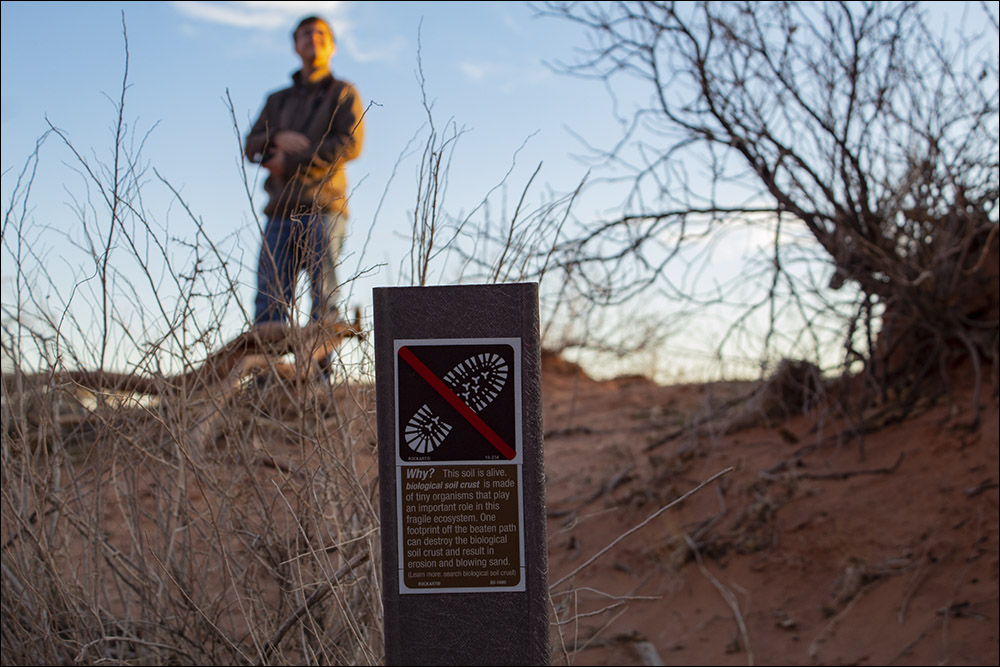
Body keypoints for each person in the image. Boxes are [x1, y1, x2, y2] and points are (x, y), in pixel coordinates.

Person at [245, 15, 365, 334]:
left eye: (321, 33)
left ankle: (320, 383)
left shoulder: (343, 92)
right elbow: (251, 145)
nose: (313, 38)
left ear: (333, 46)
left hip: (323, 208)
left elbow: (349, 144)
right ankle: (267, 383)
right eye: (305, 33)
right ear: (295, 45)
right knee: (268, 304)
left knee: (324, 304)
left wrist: (290, 159)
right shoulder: (277, 100)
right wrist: (276, 139)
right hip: (280, 212)